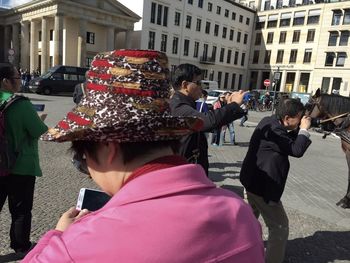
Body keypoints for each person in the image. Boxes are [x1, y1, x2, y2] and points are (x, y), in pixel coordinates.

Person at [23, 49, 264, 262]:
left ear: (108, 147)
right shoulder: (241, 215)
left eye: (84, 159)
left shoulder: (80, 244)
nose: (88, 170)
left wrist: (58, 236)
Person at [240, 98, 312, 263]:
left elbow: (286, 141)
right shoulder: (275, 129)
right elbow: (296, 149)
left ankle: (241, 250)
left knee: (248, 221)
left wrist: (299, 128)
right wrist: (304, 130)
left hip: (251, 182)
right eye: (299, 117)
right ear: (287, 118)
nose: (301, 120)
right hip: (263, 188)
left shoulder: (270, 121)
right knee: (279, 227)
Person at [0, 63, 48, 256]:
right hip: (21, 164)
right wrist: (40, 119)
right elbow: (38, 131)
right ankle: (21, 246)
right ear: (5, 81)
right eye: (17, 78)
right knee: (20, 209)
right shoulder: (20, 104)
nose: (20, 81)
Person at [169, 63, 245, 174]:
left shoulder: (184, 103)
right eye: (198, 83)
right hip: (185, 173)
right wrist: (234, 105)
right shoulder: (178, 106)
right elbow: (207, 121)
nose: (201, 87)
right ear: (185, 85)